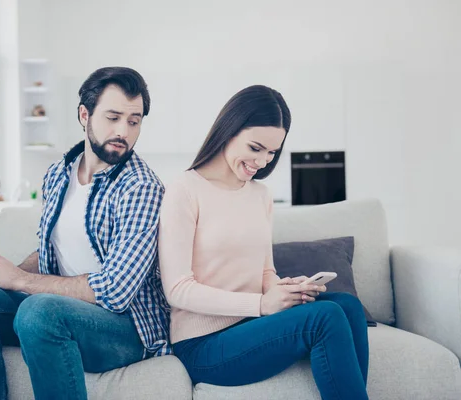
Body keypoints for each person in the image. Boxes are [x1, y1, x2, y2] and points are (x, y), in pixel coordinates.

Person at [0, 67, 171, 400]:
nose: (123, 130)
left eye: (133, 121)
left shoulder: (141, 187)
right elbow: (51, 254)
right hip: (62, 311)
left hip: (125, 327)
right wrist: (8, 272)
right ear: (85, 114)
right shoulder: (58, 174)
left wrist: (21, 282)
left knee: (40, 311)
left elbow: (117, 291)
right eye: (113, 117)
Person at [158, 85, 369, 399]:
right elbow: (177, 289)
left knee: (348, 306)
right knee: (325, 318)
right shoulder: (185, 190)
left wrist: (284, 290)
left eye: (272, 152)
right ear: (229, 131)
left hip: (252, 325)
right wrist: (260, 304)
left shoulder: (260, 195)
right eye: (256, 148)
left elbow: (264, 273)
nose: (263, 161)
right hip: (204, 344)